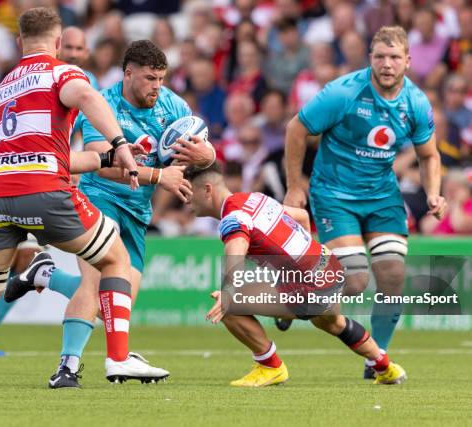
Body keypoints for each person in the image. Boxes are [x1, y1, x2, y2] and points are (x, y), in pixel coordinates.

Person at [0, 7, 164, 399]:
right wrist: (119, 143)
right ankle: (118, 357)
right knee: (115, 258)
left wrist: (106, 157)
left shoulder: (4, 88)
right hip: (45, 192)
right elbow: (84, 96)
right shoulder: (62, 72)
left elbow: (49, 155)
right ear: (56, 40)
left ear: (19, 43)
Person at [6, 40, 216, 388]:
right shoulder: (103, 103)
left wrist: (203, 155)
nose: (156, 86)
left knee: (113, 306)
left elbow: (208, 150)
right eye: (150, 78)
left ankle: (45, 275)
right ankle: (67, 367)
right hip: (99, 198)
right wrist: (158, 175)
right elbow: (100, 163)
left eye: (161, 78)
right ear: (128, 73)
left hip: (136, 209)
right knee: (93, 283)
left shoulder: (172, 104)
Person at [283, 26, 446, 379]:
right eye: (380, 57)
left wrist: (433, 191)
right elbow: (297, 128)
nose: (386, 64)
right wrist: (295, 185)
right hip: (335, 194)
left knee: (393, 274)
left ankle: (377, 357)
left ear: (407, 61)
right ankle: (293, 298)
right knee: (354, 280)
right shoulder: (343, 93)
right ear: (370, 58)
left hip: (383, 196)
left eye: (394, 57)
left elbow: (429, 156)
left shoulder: (415, 102)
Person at [185, 163, 407, 387]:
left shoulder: (232, 217)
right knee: (334, 323)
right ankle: (385, 367)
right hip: (329, 267)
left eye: (188, 193)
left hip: (309, 286)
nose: (185, 201)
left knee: (230, 305)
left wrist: (229, 292)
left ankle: (270, 367)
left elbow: (237, 250)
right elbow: (301, 216)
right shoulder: (254, 199)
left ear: (207, 189)